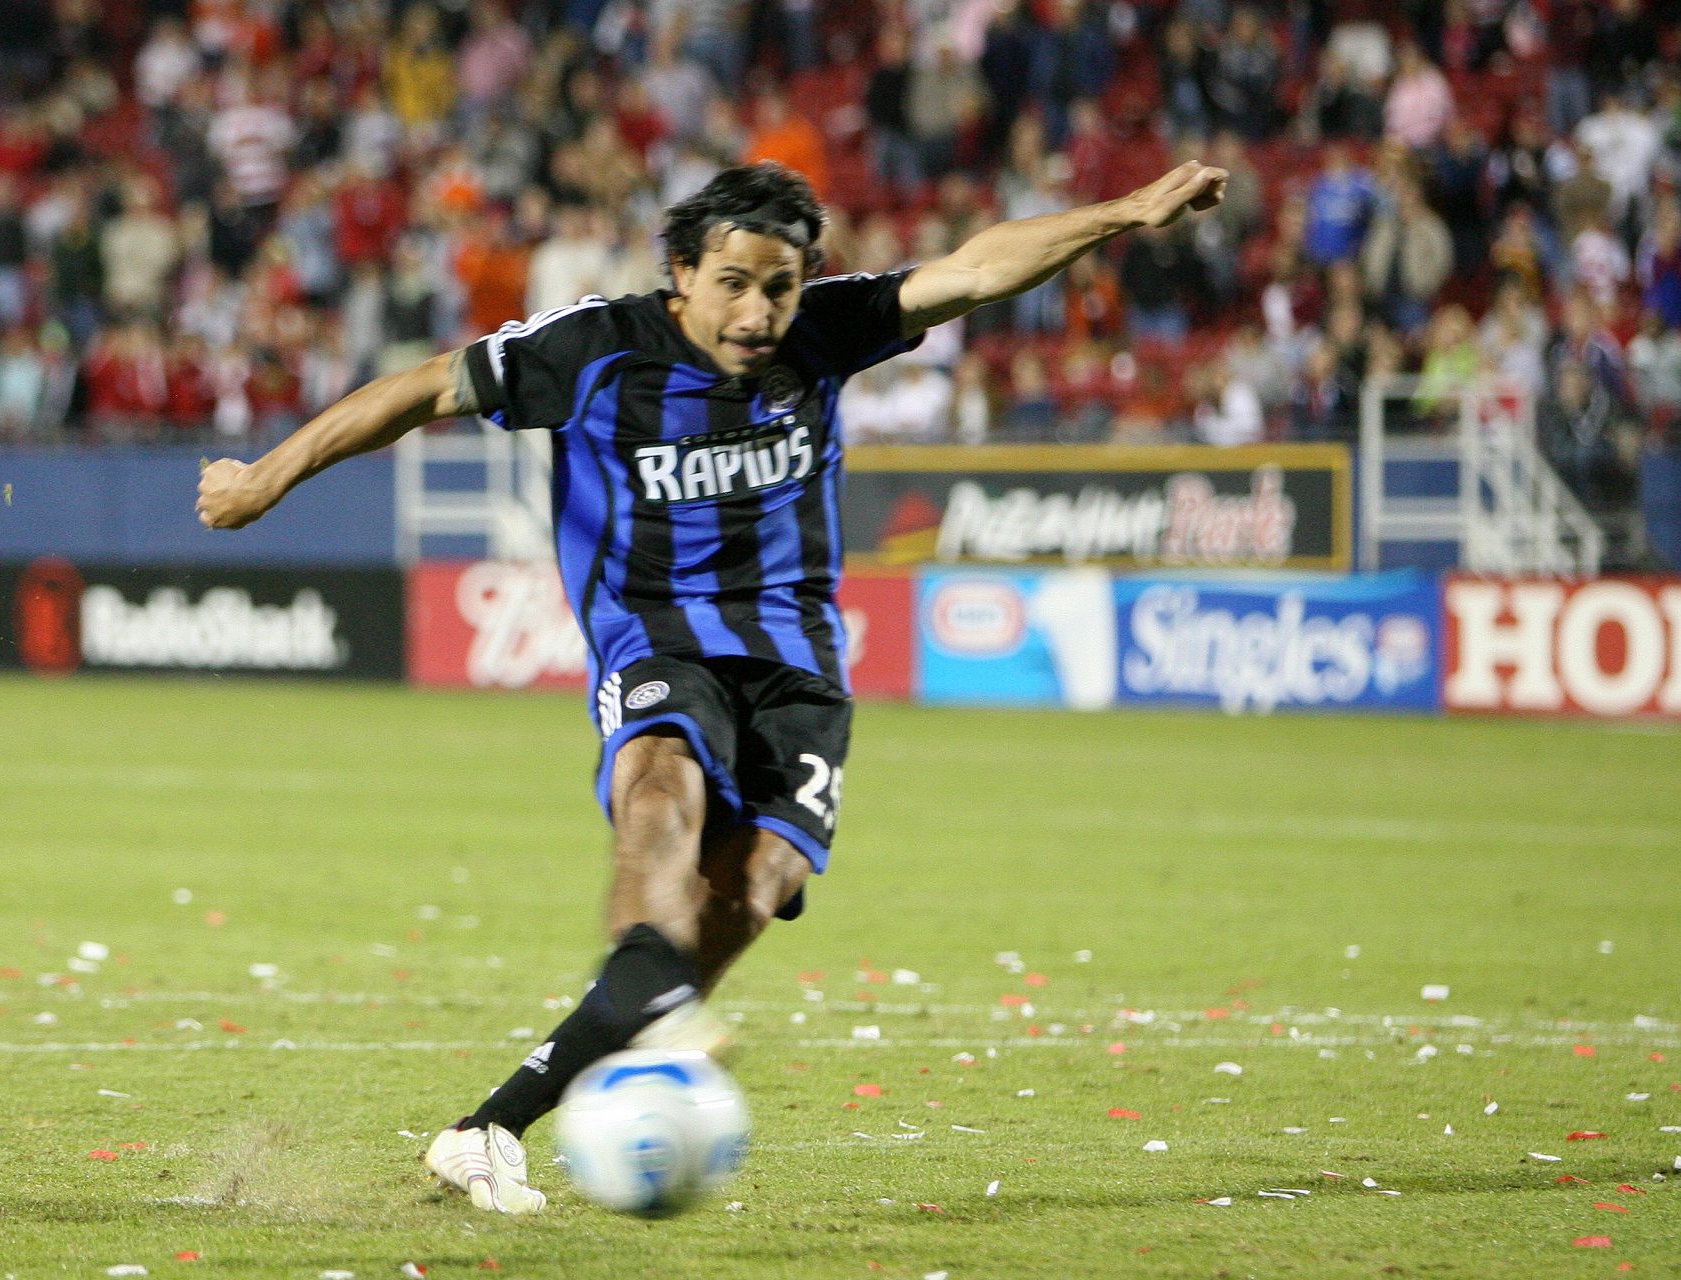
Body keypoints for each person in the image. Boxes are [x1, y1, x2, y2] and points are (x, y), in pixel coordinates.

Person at [195, 158, 1227, 1214]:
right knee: (662, 785)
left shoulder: (826, 330)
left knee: (761, 880)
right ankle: (658, 1005)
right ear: (681, 273)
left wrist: (1127, 212)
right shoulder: (594, 350)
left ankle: (491, 1126)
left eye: (779, 285)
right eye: (733, 282)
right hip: (655, 639)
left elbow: (972, 273)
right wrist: (268, 474)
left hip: (797, 666)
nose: (758, 310)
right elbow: (422, 388)